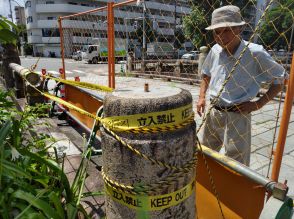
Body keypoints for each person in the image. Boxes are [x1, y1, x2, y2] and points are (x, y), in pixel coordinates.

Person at [196, 5, 287, 166]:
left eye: (227, 30)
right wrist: (202, 97)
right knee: (207, 152)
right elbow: (206, 73)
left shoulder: (254, 52)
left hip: (238, 113)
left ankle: (233, 189)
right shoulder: (215, 50)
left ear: (239, 29)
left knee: (236, 160)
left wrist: (258, 104)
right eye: (217, 32)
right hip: (214, 111)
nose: (221, 36)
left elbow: (281, 79)